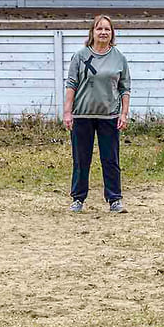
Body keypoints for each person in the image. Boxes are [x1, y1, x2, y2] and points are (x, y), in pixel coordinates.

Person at [63, 15, 131, 214]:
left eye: (107, 29)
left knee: (110, 159)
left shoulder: (119, 58)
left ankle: (114, 199)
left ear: (112, 34)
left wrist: (124, 113)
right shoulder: (80, 56)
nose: (103, 32)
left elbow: (124, 88)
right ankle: (78, 198)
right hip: (82, 115)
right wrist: (68, 112)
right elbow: (71, 84)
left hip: (108, 116)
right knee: (81, 159)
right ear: (92, 32)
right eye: (99, 29)